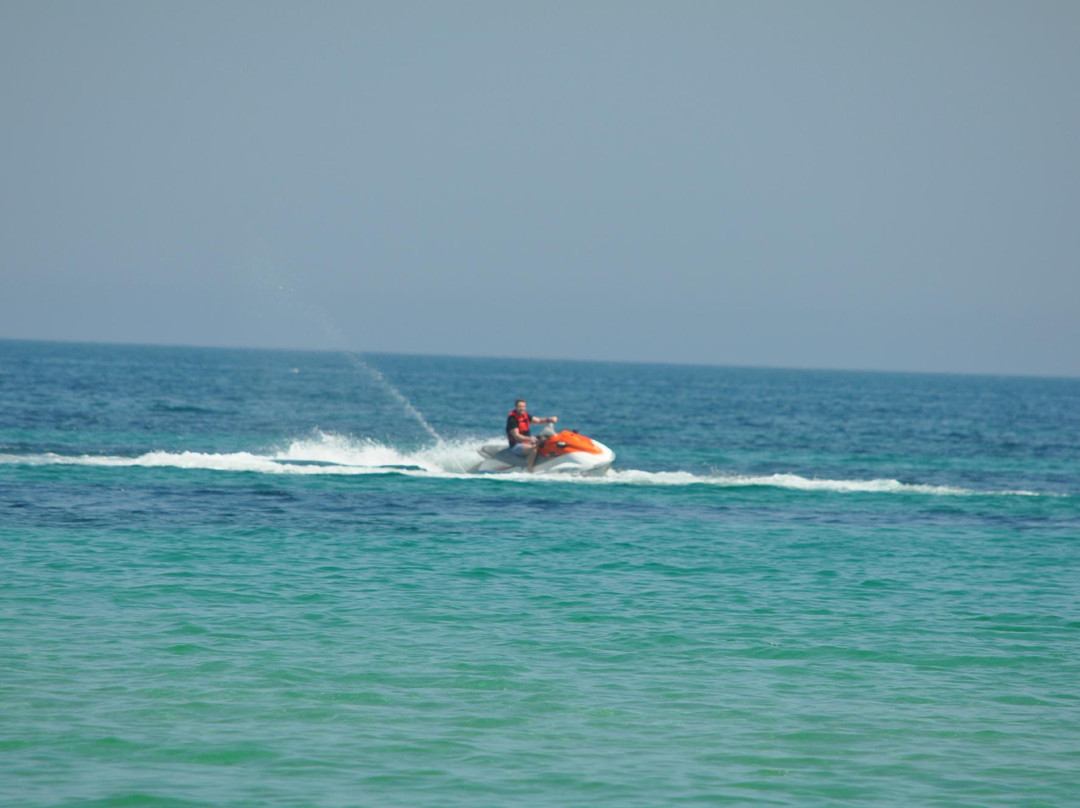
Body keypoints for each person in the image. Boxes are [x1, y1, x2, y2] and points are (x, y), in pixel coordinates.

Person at [506, 398, 558, 472]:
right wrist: (530, 439)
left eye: (523, 406)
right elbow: (516, 436)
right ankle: (529, 470)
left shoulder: (525, 416)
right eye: (520, 406)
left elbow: (539, 420)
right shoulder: (512, 419)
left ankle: (551, 461)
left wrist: (549, 420)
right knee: (533, 450)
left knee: (546, 441)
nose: (522, 408)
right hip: (516, 446)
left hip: (527, 443)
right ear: (516, 407)